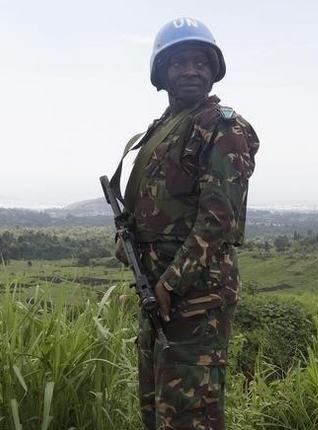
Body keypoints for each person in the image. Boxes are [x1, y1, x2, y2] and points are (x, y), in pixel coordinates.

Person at [113, 17, 259, 430]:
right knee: (157, 405)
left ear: (213, 70)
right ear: (161, 74)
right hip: (156, 287)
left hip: (196, 293)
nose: (191, 70)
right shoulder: (160, 130)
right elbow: (145, 204)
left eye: (199, 62)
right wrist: (126, 241)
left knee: (192, 412)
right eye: (179, 63)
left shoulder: (222, 126)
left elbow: (218, 220)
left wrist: (169, 283)